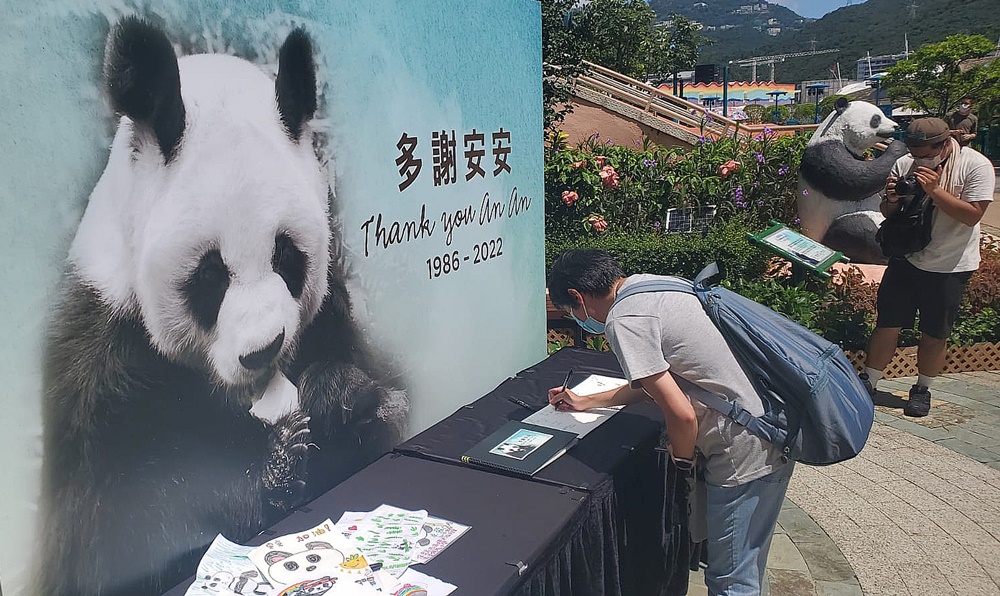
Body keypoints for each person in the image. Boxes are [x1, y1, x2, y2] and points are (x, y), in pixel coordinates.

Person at [547, 250, 794, 596]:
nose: (578, 319)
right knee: (746, 563)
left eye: (572, 312)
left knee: (731, 581)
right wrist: (586, 401)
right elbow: (660, 387)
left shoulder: (624, 320)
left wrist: (681, 461)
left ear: (577, 297)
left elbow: (681, 414)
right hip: (771, 424)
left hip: (742, 449)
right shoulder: (652, 286)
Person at [861, 117, 994, 416]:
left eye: (925, 154)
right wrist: (893, 199)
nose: (919, 160)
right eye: (915, 154)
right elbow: (887, 210)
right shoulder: (905, 164)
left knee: (935, 332)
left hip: (951, 263)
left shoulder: (976, 166)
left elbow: (973, 215)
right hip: (906, 258)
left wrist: (935, 190)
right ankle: (869, 380)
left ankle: (922, 389)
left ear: (945, 143)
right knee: (887, 322)